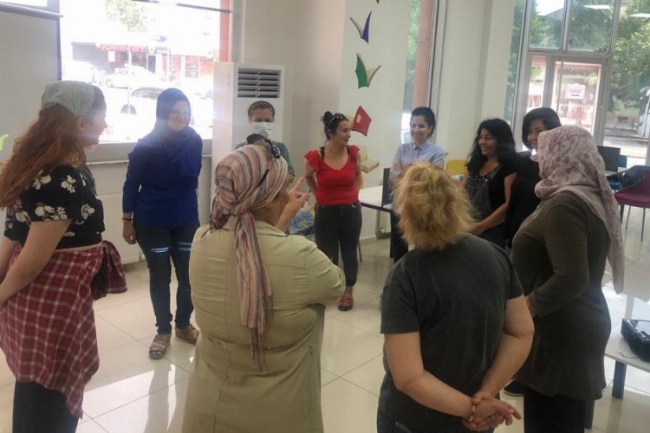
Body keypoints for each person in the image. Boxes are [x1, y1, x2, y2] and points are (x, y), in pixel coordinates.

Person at [182, 145, 345, 433]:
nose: (287, 196)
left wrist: (279, 221)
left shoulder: (202, 240)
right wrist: (283, 223)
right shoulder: (301, 257)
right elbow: (336, 286)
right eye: (282, 190)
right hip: (277, 413)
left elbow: (253, 249)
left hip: (208, 408)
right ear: (267, 201)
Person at [0, 81, 125, 433]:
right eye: (101, 117)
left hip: (37, 301)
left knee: (35, 385)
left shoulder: (41, 164)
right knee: (49, 392)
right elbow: (33, 260)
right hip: (49, 302)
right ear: (80, 122)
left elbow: (13, 236)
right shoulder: (62, 175)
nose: (105, 124)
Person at [378, 162, 534, 433]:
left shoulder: (405, 276)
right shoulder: (495, 256)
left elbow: (408, 377)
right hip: (481, 414)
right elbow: (521, 332)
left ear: (406, 213)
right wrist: (486, 394)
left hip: (415, 420)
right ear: (457, 202)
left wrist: (470, 409)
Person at [511, 126, 624, 433]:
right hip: (568, 324)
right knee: (561, 419)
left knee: (551, 421)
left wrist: (525, 307)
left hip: (561, 331)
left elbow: (572, 277)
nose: (540, 163)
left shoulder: (566, 204)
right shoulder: (582, 196)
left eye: (544, 154)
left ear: (560, 157)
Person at [122, 88, 202, 360]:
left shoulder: (194, 140)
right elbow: (131, 184)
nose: (181, 117)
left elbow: (192, 181)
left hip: (185, 218)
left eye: (185, 113)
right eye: (175, 112)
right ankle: (163, 330)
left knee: (189, 275)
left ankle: (183, 324)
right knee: (160, 276)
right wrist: (127, 220)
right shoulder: (146, 144)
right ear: (163, 112)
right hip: (152, 219)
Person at [502, 107, 561, 397]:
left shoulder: (560, 165)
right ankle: (517, 365)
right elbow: (513, 202)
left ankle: (530, 373)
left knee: (533, 309)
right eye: (530, 131)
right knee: (516, 304)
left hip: (540, 246)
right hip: (517, 238)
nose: (534, 136)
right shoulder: (524, 162)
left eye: (540, 130)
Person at [304, 111, 362, 311]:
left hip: (351, 211)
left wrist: (353, 193)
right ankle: (329, 288)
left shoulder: (353, 152)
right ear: (331, 132)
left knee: (349, 252)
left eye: (349, 130)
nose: (348, 134)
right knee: (325, 252)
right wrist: (318, 194)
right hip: (325, 212)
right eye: (344, 131)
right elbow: (308, 176)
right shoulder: (316, 155)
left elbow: (357, 175)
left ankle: (348, 292)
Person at [389, 106, 445, 262]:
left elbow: (431, 182)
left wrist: (405, 171)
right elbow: (392, 178)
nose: (416, 129)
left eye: (421, 126)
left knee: (423, 249)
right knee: (399, 251)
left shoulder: (437, 152)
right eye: (413, 125)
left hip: (422, 208)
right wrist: (418, 171)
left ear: (430, 128)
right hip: (400, 206)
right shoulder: (402, 149)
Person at [463, 118, 518, 248]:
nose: (482, 142)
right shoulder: (476, 163)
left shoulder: (510, 166)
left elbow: (509, 205)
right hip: (467, 226)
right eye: (481, 137)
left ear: (501, 140)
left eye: (488, 138)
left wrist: (480, 227)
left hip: (493, 231)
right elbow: (462, 192)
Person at [235, 100, 295, 182]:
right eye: (258, 120)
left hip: (275, 190)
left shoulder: (280, 148)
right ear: (250, 121)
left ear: (273, 120)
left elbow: (291, 175)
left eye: (267, 120)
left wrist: (268, 179)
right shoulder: (240, 147)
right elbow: (235, 174)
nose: (263, 124)